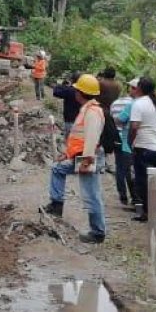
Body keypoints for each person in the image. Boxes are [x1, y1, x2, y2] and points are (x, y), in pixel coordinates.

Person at [41, 74, 108, 244]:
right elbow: (79, 137)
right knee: (57, 169)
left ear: (80, 92)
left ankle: (98, 232)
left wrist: (86, 161)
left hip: (87, 156)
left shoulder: (92, 112)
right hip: (81, 155)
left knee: (91, 194)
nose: (75, 91)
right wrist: (68, 154)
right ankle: (56, 205)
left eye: (77, 89)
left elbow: (91, 139)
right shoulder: (87, 109)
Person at [128, 77, 156, 222]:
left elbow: (134, 127)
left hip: (143, 146)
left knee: (142, 180)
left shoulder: (139, 104)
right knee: (155, 179)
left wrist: (131, 141)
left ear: (139, 88)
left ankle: (147, 212)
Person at [109, 79, 139, 208]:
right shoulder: (135, 104)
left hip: (116, 137)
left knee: (119, 167)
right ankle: (134, 197)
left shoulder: (115, 103)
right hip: (128, 140)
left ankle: (122, 195)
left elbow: (113, 120)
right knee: (130, 169)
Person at [52, 73, 82, 139]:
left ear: (72, 80)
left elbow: (56, 92)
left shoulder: (69, 90)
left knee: (69, 141)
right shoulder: (84, 91)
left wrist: (59, 85)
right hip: (82, 120)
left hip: (70, 120)